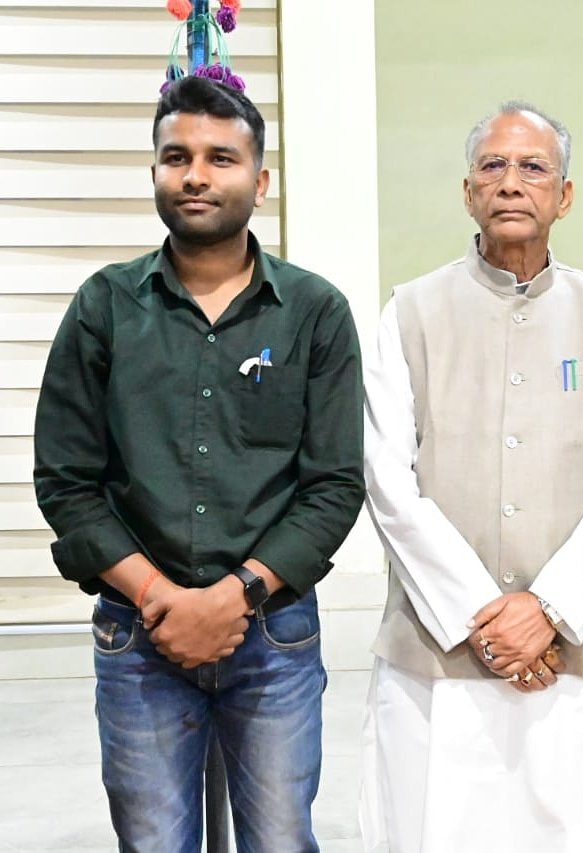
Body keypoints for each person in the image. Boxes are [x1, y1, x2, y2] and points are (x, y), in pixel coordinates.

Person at [33, 76, 365, 851]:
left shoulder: (314, 312)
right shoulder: (104, 306)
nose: (195, 175)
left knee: (279, 839)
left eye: (221, 157)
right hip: (137, 636)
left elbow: (333, 484)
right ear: (154, 171)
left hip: (274, 633)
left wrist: (235, 595)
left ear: (260, 179)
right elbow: (66, 481)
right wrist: (161, 598)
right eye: (176, 156)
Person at [359, 101, 583, 852]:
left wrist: (549, 609)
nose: (510, 182)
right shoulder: (410, 313)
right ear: (468, 191)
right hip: (440, 654)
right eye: (492, 166)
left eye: (533, 167)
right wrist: (484, 617)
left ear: (565, 195)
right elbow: (387, 480)